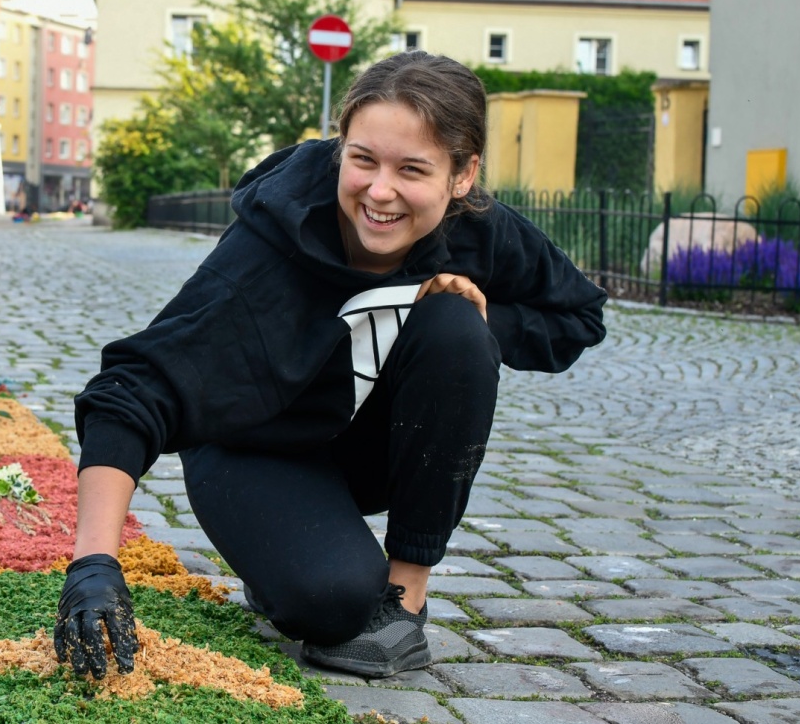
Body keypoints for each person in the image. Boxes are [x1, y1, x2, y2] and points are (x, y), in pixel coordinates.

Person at [53, 50, 607, 681]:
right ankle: (286, 560)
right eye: (363, 159)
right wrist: (93, 564)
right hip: (253, 449)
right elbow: (135, 386)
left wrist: (480, 312)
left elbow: (578, 316)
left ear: (463, 174)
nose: (380, 191)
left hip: (369, 449)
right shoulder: (270, 244)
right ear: (341, 144)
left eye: (412, 169)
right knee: (333, 602)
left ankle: (405, 601)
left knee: (457, 326)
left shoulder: (476, 228)